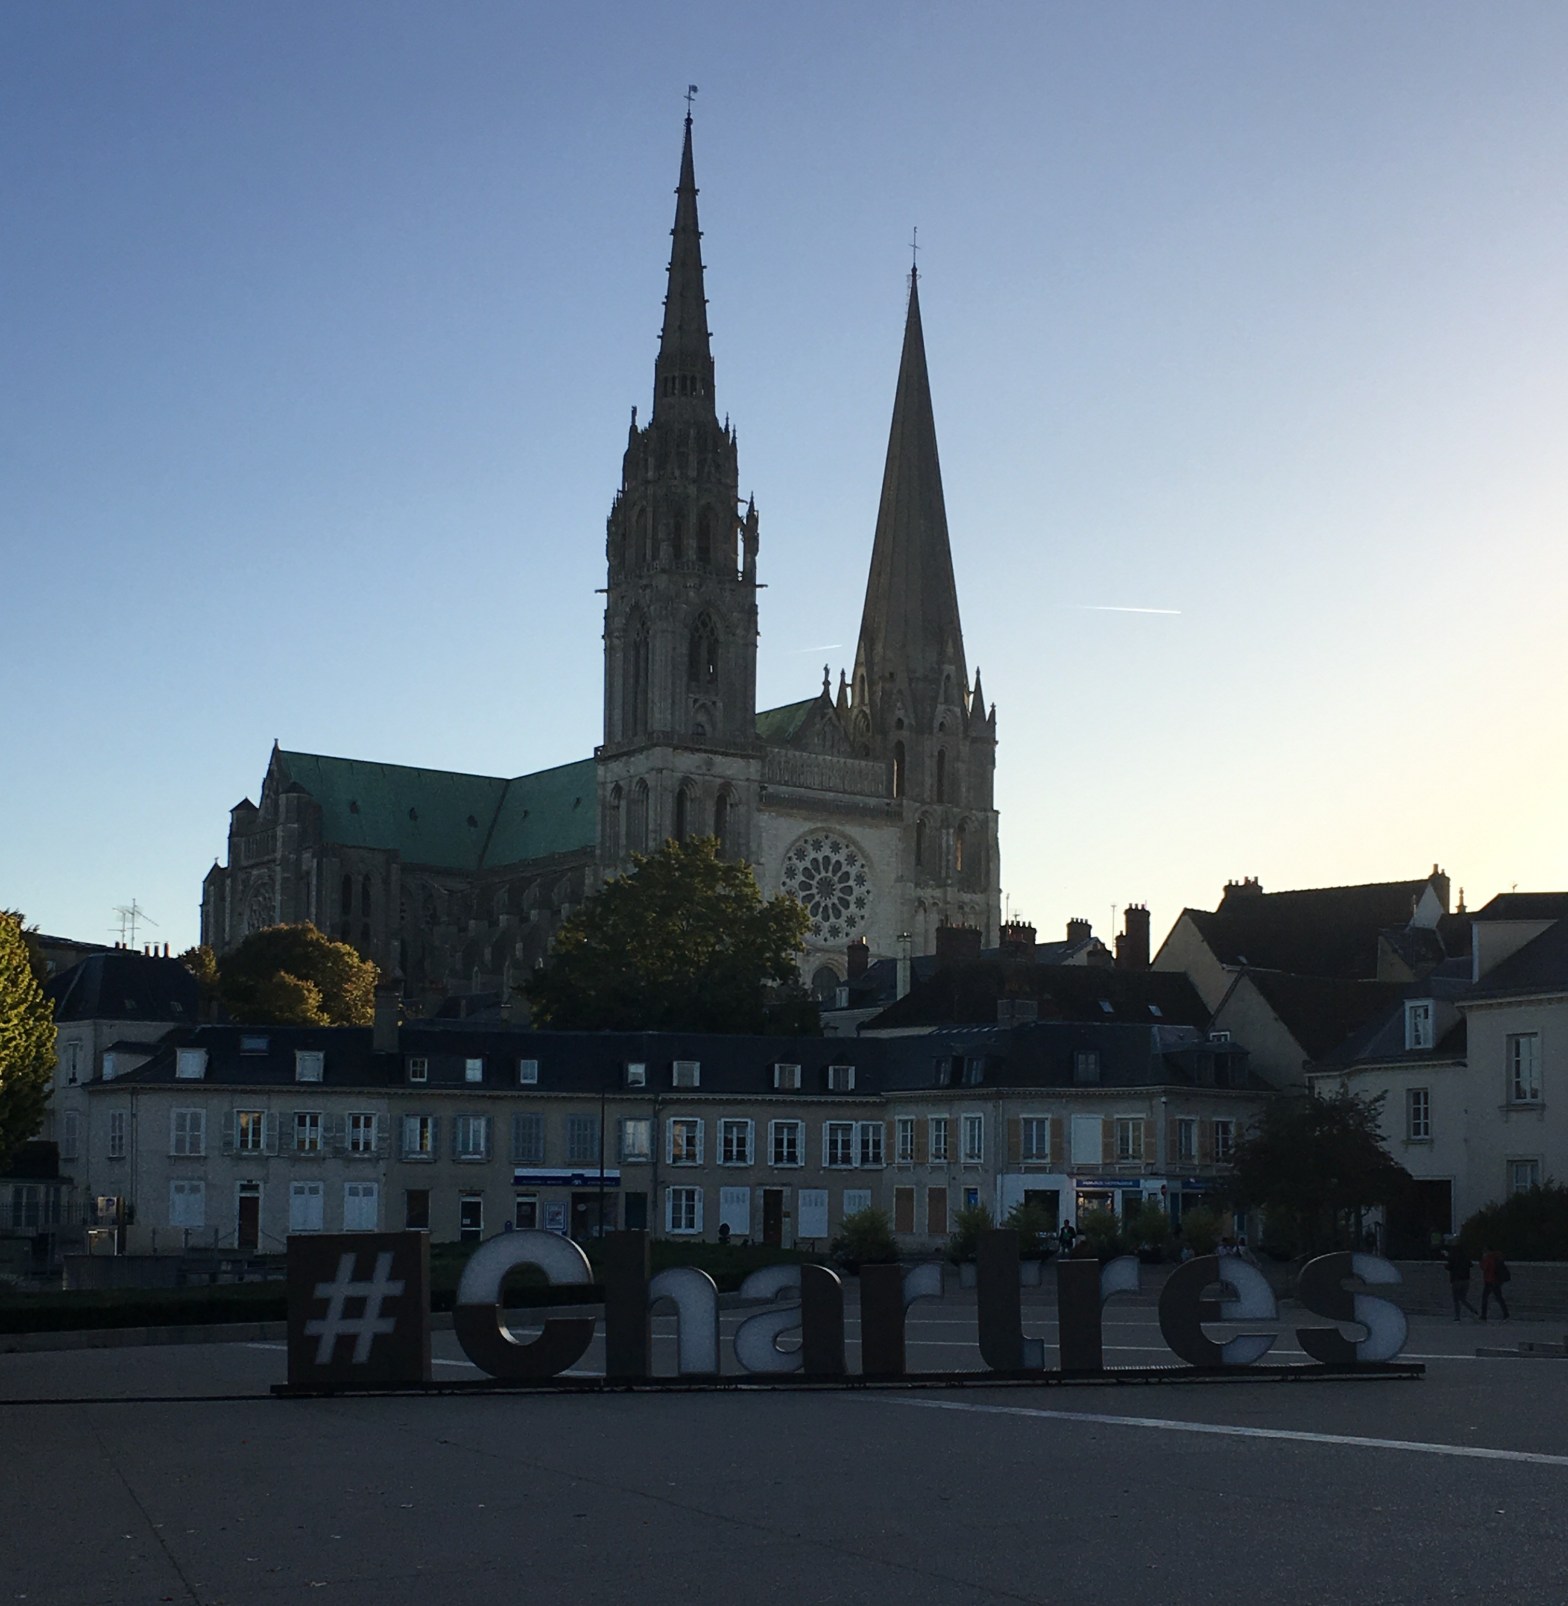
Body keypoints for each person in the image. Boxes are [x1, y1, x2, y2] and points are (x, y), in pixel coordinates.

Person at [1445, 1241, 1478, 1320]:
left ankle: (1458, 1316)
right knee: (1462, 1298)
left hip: (1456, 1280)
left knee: (1456, 1299)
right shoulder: (1466, 1257)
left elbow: (1449, 1267)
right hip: (1466, 1280)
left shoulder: (1453, 1257)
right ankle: (1473, 1310)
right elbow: (1471, 1265)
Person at [1480, 1246, 1511, 1322]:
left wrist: (1483, 1259)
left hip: (1490, 1281)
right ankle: (1506, 1314)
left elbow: (1484, 1267)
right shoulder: (1497, 1258)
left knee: (1485, 1298)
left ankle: (1483, 1316)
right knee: (1499, 1298)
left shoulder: (1489, 1258)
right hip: (1497, 1281)